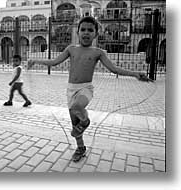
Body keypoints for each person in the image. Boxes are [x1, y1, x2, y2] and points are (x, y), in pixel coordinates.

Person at [28, 16, 151, 162]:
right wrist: (35, 60)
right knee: (75, 125)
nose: (86, 33)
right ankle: (80, 148)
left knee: (77, 107)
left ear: (96, 34)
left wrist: (135, 74)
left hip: (85, 88)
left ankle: (86, 121)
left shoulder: (98, 52)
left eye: (90, 30)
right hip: (71, 90)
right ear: (78, 32)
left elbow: (114, 69)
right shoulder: (71, 49)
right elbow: (54, 62)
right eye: (83, 30)